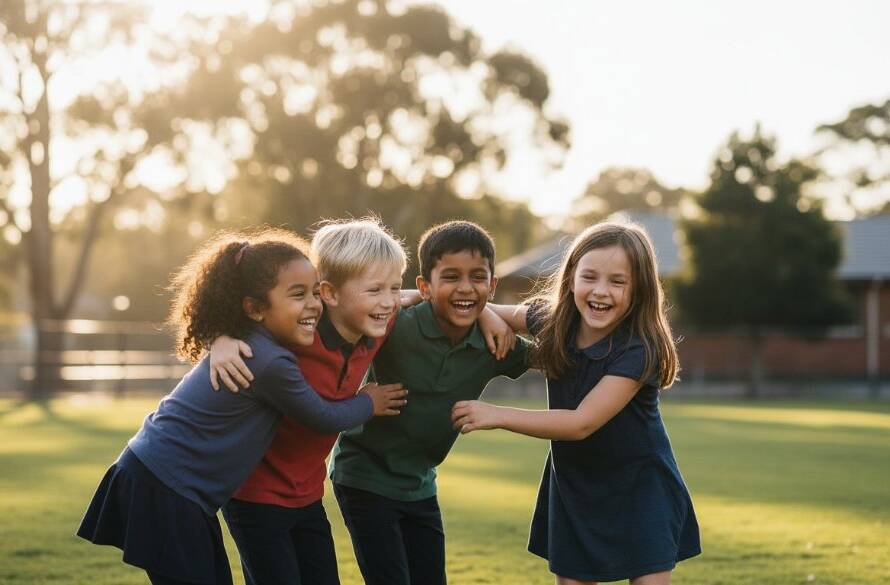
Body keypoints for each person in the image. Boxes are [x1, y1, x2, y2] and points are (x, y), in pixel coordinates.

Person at [77, 228, 406, 585]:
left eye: (313, 293)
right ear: (253, 308)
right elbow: (321, 416)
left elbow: (384, 297)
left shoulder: (264, 339)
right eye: (299, 294)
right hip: (163, 485)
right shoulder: (267, 358)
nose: (314, 305)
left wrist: (434, 297)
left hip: (171, 484)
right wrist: (368, 402)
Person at [451, 220, 701, 585]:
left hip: (639, 490)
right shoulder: (553, 322)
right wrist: (482, 312)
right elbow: (470, 307)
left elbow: (581, 423)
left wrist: (497, 414)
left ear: (640, 290)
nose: (601, 291)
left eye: (618, 281)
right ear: (570, 279)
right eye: (590, 277)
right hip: (575, 486)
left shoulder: (637, 349)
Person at [210, 219, 417, 585]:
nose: (388, 301)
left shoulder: (375, 322)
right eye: (374, 290)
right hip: (254, 494)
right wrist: (220, 338)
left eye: (394, 287)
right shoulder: (292, 334)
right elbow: (244, 320)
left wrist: (488, 314)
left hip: (307, 493)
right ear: (328, 293)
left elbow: (427, 300)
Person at [329, 220, 530, 585]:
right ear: (425, 286)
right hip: (363, 475)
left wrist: (494, 313)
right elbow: (344, 309)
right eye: (450, 276)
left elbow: (560, 355)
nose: (465, 287)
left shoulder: (495, 343)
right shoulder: (397, 325)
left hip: (420, 484)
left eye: (477, 277)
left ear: (493, 284)